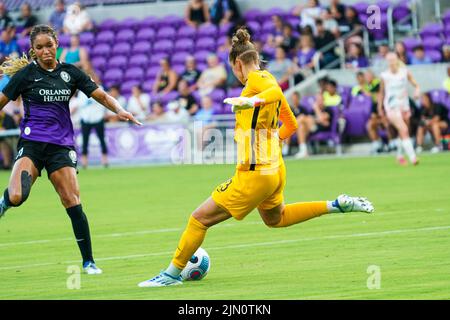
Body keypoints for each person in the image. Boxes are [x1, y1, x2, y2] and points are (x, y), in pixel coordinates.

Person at [138, 27, 374, 287]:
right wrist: (270, 141)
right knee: (277, 218)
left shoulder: (257, 82)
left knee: (199, 218)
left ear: (237, 63)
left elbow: (273, 92)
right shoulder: (264, 79)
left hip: (254, 175)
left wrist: (253, 102)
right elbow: (291, 124)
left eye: (233, 69)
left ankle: (171, 275)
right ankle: (336, 204)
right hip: (274, 170)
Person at [0, 25, 140, 274]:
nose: (45, 51)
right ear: (33, 51)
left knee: (71, 201)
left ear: (57, 44)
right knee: (17, 196)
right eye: (40, 47)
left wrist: (120, 110)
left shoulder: (71, 72)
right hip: (32, 144)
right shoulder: (24, 76)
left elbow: (102, 96)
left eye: (49, 45)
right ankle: (4, 202)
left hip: (61, 146)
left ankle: (88, 262)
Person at [378, 52, 419, 165]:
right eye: (389, 60)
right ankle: (413, 157)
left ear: (397, 59)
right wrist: (379, 108)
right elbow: (381, 93)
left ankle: (400, 156)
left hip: (404, 105)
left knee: (403, 132)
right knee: (404, 129)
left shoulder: (404, 72)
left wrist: (416, 91)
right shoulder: (384, 75)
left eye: (393, 59)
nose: (391, 62)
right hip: (391, 106)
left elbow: (416, 85)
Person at [295, 79, 341, 159]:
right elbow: (316, 119)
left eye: (320, 100)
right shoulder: (313, 110)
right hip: (312, 127)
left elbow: (324, 121)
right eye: (317, 100)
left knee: (302, 118)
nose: (319, 101)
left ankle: (291, 128)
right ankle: (303, 150)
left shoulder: (328, 109)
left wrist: (316, 110)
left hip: (321, 128)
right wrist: (316, 119)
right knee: (301, 126)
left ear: (323, 100)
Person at [74, 82, 109, 169]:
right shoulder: (81, 92)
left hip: (98, 118)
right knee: (85, 141)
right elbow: (80, 104)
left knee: (102, 139)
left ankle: (105, 160)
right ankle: (84, 162)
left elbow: (103, 100)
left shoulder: (99, 88)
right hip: (86, 119)